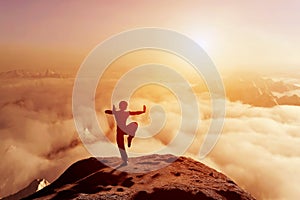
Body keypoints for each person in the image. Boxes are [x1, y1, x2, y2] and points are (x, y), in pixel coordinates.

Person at [105, 101, 146, 166]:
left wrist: (142, 111)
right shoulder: (118, 113)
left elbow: (135, 113)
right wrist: (113, 111)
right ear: (120, 106)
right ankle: (125, 160)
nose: (124, 107)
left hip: (125, 129)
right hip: (120, 132)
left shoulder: (124, 113)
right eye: (123, 106)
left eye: (125, 106)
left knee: (135, 124)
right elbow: (107, 111)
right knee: (121, 146)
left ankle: (130, 138)